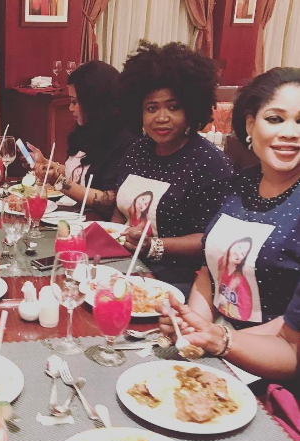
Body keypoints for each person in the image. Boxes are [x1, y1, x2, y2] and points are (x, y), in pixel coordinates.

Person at [112, 41, 234, 296]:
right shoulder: (136, 151)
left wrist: (154, 246)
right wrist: (109, 244)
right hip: (123, 265)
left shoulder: (210, 163)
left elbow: (211, 238)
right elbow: (119, 212)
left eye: (173, 107)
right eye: (151, 108)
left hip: (178, 281)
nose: (161, 117)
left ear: (191, 109)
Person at [182, 67, 300, 331]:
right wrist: (193, 327)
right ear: (250, 125)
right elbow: (210, 270)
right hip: (218, 337)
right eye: (275, 119)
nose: (290, 132)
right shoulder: (237, 185)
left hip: (272, 350)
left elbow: (292, 335)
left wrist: (218, 340)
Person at [25, 60, 137, 219]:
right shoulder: (88, 130)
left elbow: (109, 200)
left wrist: (58, 181)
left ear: (95, 102)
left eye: (74, 102)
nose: (70, 108)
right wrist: (49, 165)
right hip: (73, 216)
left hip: (97, 223)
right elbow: (81, 172)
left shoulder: (127, 141)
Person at [216, 237, 253, 321]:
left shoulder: (241, 282)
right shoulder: (221, 262)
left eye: (243, 254)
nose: (238, 254)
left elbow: (245, 314)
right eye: (239, 247)